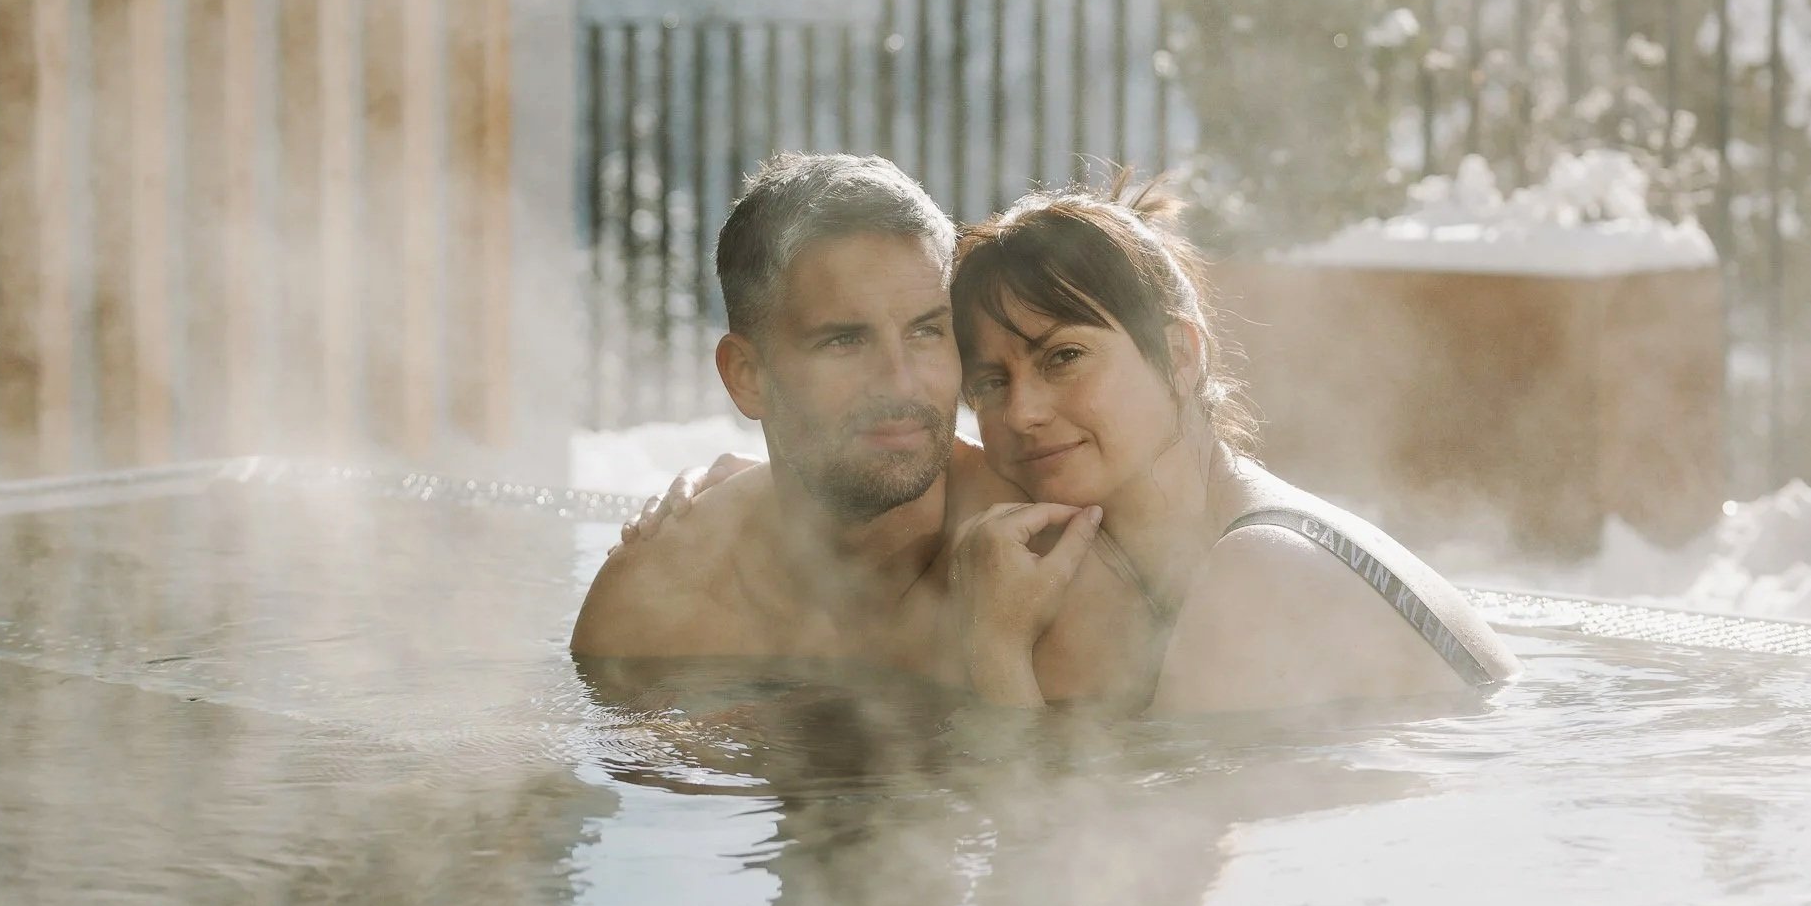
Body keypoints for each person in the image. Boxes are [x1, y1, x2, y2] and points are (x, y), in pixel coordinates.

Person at [587, 158, 1513, 715]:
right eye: (991, 376)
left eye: (1064, 359)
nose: (1021, 412)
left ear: (1182, 355)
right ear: (747, 376)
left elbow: (1127, 851)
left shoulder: (1244, 579)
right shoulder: (674, 575)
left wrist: (992, 654)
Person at [570, 152, 1095, 682]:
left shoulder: (1050, 565)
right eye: (844, 340)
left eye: (925, 331)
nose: (900, 382)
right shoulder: (654, 603)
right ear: (747, 376)